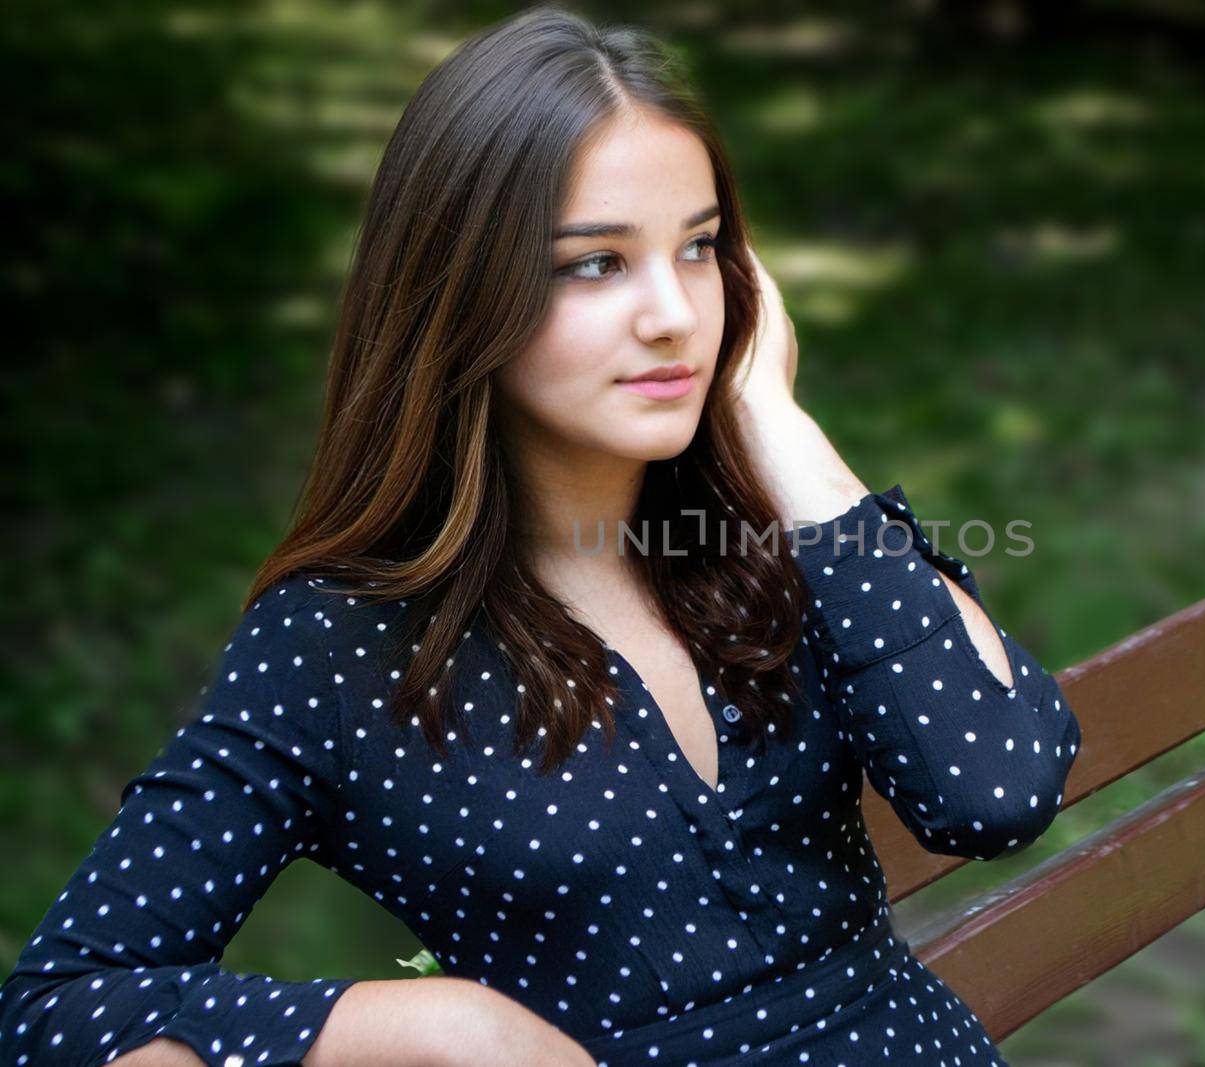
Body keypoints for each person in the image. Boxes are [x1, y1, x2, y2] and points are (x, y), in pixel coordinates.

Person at [0, 5, 1082, 1065]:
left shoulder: (774, 540)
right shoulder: (345, 642)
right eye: (595, 263)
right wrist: (439, 1027)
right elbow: (59, 1003)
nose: (673, 313)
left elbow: (992, 789)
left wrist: (776, 421)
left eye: (699, 249)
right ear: (462, 296)